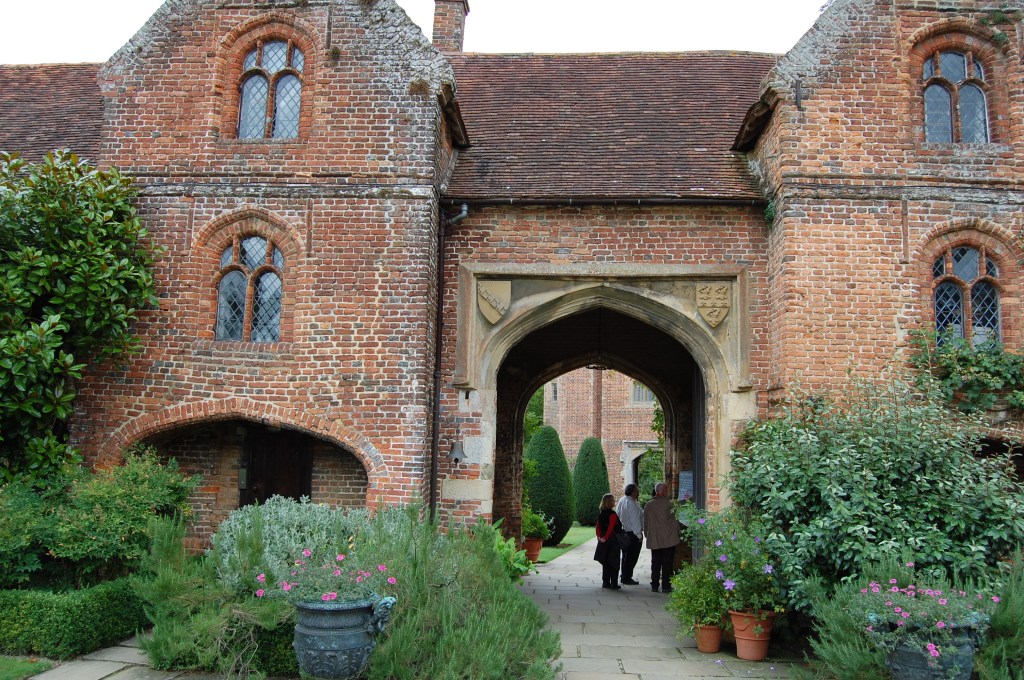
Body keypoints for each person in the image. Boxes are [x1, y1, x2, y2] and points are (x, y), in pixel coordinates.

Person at [643, 481, 680, 593]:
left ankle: (654, 585)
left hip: (654, 537)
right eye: (666, 490)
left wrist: (647, 534)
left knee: (655, 562)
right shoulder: (670, 504)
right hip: (668, 538)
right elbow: (676, 520)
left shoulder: (648, 505)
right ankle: (666, 586)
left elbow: (645, 522)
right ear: (663, 491)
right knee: (667, 563)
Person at [615, 483, 643, 585]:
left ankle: (624, 575)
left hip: (625, 532)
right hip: (633, 534)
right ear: (633, 492)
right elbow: (634, 521)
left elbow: (618, 514)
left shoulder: (622, 500)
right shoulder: (631, 503)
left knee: (626, 556)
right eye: (637, 490)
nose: (638, 491)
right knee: (632, 557)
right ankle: (626, 577)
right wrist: (639, 535)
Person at [595, 492, 622, 590]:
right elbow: (611, 528)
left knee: (605, 561)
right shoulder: (612, 514)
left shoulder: (601, 513)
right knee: (614, 562)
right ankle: (614, 583)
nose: (614, 501)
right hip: (612, 540)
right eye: (613, 500)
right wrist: (606, 538)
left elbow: (598, 526)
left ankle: (605, 582)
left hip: (603, 539)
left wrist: (599, 537)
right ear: (610, 502)